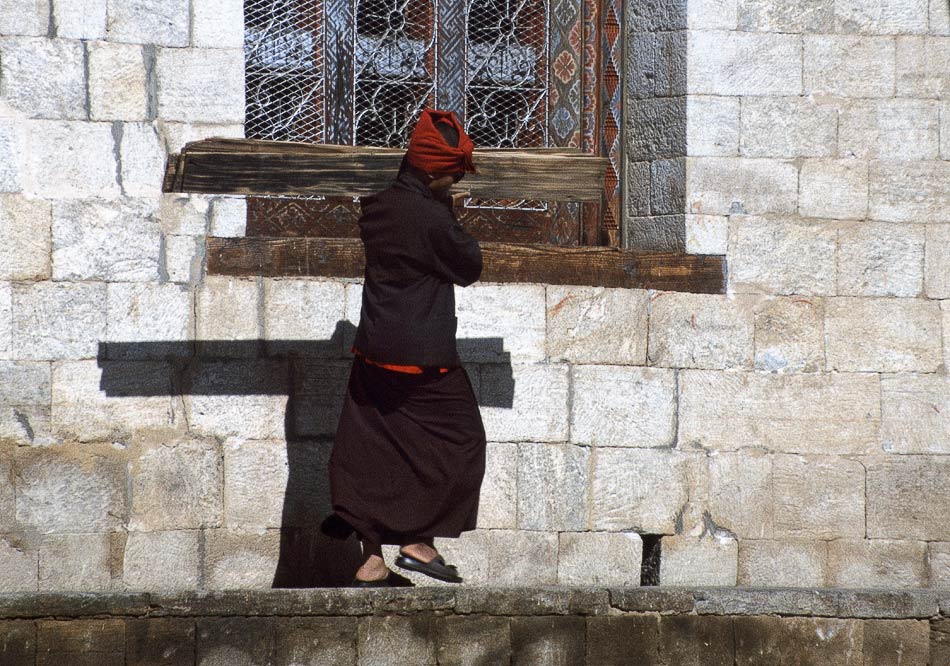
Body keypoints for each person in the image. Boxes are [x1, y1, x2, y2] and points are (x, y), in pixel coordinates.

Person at [324, 110, 486, 587]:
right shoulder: (432, 218)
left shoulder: (375, 208)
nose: (456, 180)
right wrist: (448, 209)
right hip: (423, 359)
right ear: (434, 171)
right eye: (453, 173)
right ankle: (418, 542)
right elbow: (469, 264)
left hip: (374, 349)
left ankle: (372, 559)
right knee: (462, 442)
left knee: (371, 447)